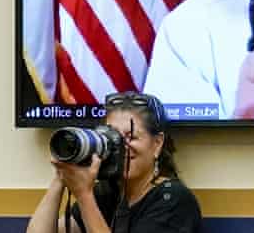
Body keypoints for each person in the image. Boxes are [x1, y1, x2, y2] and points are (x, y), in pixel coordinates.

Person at [26, 92, 202, 233]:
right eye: (111, 136)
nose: (120, 146)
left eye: (131, 137)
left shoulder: (174, 201)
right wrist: (61, 177)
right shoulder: (107, 194)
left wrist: (84, 195)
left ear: (157, 143)